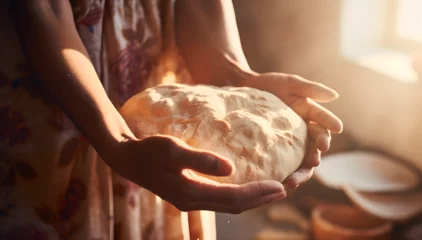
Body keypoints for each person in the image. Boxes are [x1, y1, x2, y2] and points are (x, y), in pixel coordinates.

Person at [0, 0, 343, 239]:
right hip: (54, 75)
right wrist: (117, 141)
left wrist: (232, 75)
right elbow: (43, 7)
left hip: (154, 62)